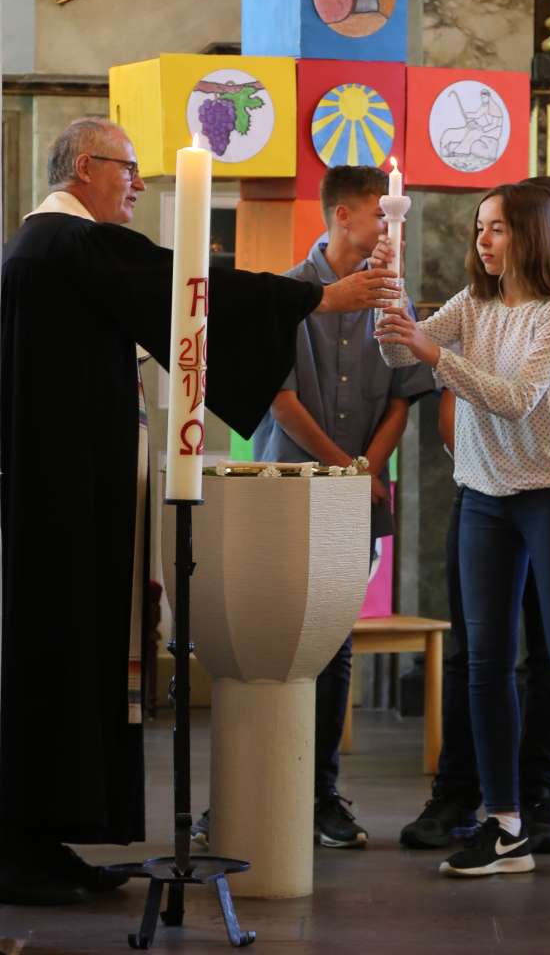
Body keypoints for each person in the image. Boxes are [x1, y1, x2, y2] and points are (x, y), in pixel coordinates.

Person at [0, 119, 398, 906]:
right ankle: (25, 851)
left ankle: (39, 842)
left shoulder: (44, 249)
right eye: (129, 170)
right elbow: (189, 287)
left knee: (58, 662)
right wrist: (319, 298)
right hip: (66, 504)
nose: (138, 185)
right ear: (86, 168)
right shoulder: (65, 243)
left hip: (59, 498)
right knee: (59, 658)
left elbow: (173, 293)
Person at [376, 181, 550, 877]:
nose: (483, 241)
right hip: (483, 495)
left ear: (533, 236)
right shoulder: (474, 304)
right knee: (485, 664)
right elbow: (401, 357)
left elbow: (515, 401)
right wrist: (389, 313)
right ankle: (505, 823)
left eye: (499, 230)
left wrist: (429, 350)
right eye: (480, 229)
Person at [190, 166, 433, 852]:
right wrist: (344, 466)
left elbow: (400, 399)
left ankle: (321, 793)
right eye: (381, 216)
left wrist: (368, 469)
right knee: (269, 640)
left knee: (334, 641)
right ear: (344, 216)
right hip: (287, 493)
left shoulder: (394, 298)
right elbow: (283, 401)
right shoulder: (286, 294)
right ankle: (244, 790)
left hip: (354, 494)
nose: (391, 229)